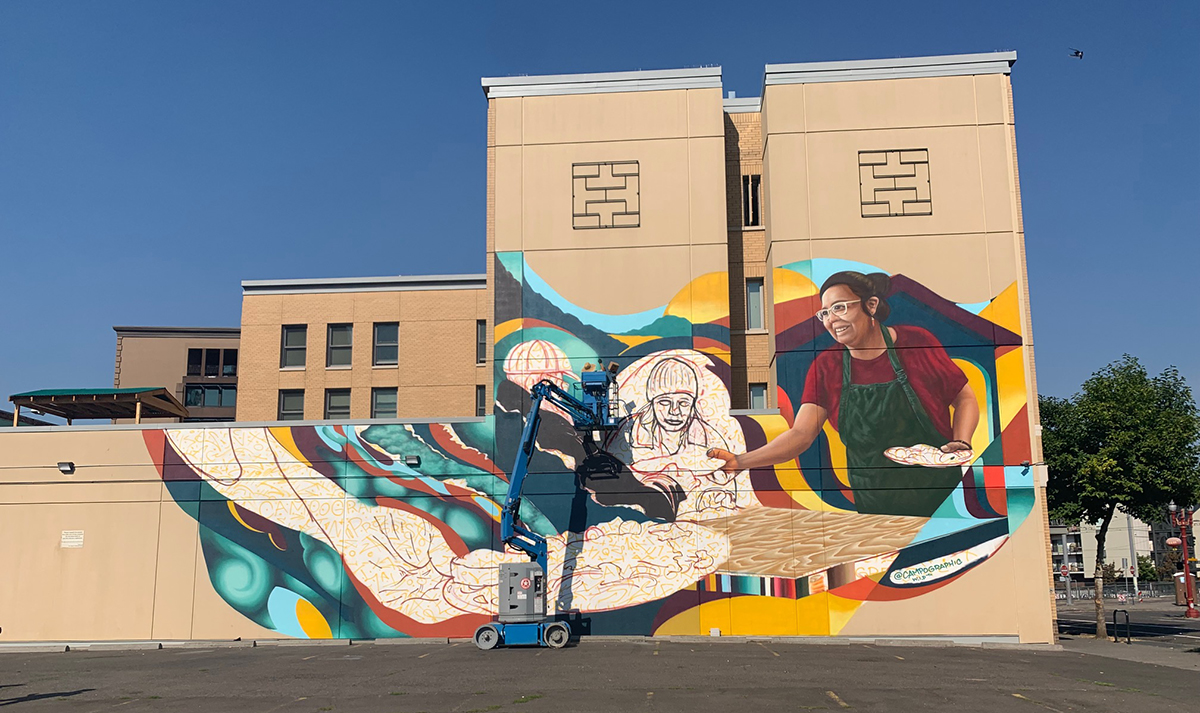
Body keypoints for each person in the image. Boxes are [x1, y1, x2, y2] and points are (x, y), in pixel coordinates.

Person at [708, 271, 979, 517]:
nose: (832, 320)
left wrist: (961, 442)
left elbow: (964, 398)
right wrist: (741, 461)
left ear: (870, 305)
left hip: (943, 496)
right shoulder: (826, 366)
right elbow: (801, 435)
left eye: (839, 307)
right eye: (824, 313)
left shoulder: (916, 343)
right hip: (874, 503)